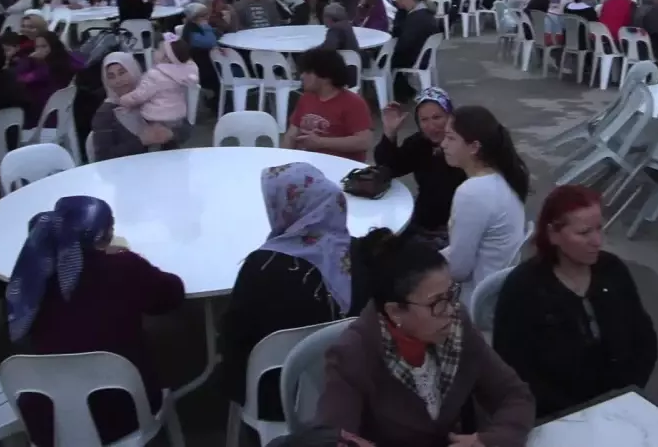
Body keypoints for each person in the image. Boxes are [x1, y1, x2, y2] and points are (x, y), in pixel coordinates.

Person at [316, 229, 536, 447]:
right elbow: (337, 440)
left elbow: (514, 395)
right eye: (437, 302)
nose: (451, 309)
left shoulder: (457, 325)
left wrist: (489, 440)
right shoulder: (353, 355)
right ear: (395, 312)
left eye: (451, 294)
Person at [7, 196, 186, 447]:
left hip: (48, 417)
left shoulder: (32, 275)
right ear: (101, 234)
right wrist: (131, 260)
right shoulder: (123, 267)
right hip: (124, 411)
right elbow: (171, 295)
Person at [220, 163, 371, 422]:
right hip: (349, 386)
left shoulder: (261, 267)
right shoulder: (361, 256)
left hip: (275, 398)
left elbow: (234, 331)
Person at [493, 185, 658, 418]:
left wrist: (627, 394)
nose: (597, 241)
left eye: (599, 229)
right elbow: (515, 368)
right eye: (584, 233)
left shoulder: (613, 270)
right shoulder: (524, 288)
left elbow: (644, 338)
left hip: (620, 406)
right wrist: (577, 413)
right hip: (555, 416)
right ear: (553, 234)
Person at [439, 106, 528, 297]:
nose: (443, 144)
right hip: (498, 292)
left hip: (476, 302)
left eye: (451, 138)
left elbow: (458, 270)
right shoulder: (504, 177)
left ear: (474, 147)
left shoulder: (473, 192)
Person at [376, 88, 466, 247]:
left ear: (450, 116)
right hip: (423, 220)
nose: (431, 126)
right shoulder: (418, 143)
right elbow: (388, 168)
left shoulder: (464, 145)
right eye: (424, 120)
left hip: (457, 227)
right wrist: (390, 133)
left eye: (437, 117)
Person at [284, 47, 373, 162]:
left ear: (325, 76)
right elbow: (291, 134)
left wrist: (320, 143)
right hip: (308, 164)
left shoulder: (353, 103)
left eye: (308, 72)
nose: (302, 76)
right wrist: (284, 160)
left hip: (340, 167)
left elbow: (364, 142)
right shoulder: (306, 98)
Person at [91, 52, 181, 161]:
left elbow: (184, 131)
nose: (118, 81)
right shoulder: (105, 114)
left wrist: (170, 134)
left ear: (133, 71)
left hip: (164, 166)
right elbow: (103, 158)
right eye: (111, 77)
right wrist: (141, 141)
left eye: (122, 73)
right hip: (126, 173)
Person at [115, 36, 197, 146]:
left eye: (158, 50)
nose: (154, 51)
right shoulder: (184, 71)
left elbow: (140, 95)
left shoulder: (155, 76)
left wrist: (124, 100)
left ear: (166, 58)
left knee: (131, 118)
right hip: (177, 117)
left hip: (157, 117)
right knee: (170, 144)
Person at [14, 31, 82, 128]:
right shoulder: (64, 59)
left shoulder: (48, 68)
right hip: (61, 112)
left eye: (44, 46)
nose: (39, 50)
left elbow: (22, 79)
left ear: (53, 46)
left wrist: (28, 60)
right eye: (37, 47)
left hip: (44, 115)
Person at [391, 0, 441, 103]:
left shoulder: (416, 17)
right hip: (424, 55)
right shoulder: (427, 13)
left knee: (387, 60)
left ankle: (399, 93)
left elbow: (405, 44)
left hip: (415, 57)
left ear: (412, 0)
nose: (403, 2)